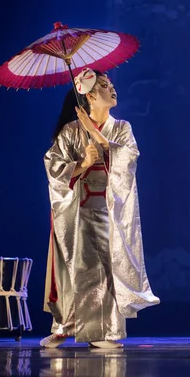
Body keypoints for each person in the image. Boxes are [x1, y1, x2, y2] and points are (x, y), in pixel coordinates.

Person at [41, 68, 160, 349]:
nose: (112, 88)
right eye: (105, 85)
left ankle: (104, 332)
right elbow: (53, 166)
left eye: (110, 83)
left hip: (109, 211)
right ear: (90, 95)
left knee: (107, 269)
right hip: (78, 212)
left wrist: (103, 143)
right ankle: (64, 326)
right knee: (72, 269)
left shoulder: (122, 128)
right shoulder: (71, 131)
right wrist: (82, 164)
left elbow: (129, 158)